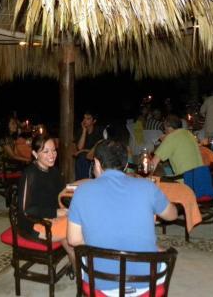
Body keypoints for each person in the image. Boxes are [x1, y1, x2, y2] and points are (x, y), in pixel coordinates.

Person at [67, 140, 177, 296]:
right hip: (146, 285)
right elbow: (172, 215)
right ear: (126, 165)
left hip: (99, 284)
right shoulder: (147, 187)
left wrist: (101, 239)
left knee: (85, 257)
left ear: (97, 163)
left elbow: (73, 240)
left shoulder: (82, 191)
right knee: (162, 253)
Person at [17, 135, 75, 266]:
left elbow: (60, 195)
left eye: (54, 150)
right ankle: (84, 281)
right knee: (75, 236)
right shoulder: (29, 174)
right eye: (46, 151)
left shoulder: (53, 171)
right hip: (32, 224)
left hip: (50, 218)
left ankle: (81, 277)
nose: (52, 155)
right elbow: (25, 210)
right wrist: (54, 213)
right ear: (35, 154)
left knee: (76, 236)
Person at [150, 115, 213, 199]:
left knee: (157, 179)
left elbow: (153, 164)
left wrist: (144, 180)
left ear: (167, 127)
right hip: (201, 179)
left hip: (186, 182)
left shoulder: (170, 138)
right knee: (166, 169)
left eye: (164, 129)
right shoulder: (189, 133)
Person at [74, 111, 103, 180]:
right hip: (83, 158)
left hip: (95, 157)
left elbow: (97, 149)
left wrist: (83, 150)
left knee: (82, 157)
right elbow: (79, 148)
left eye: (88, 118)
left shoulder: (98, 132)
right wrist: (84, 130)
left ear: (94, 121)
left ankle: (85, 182)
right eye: (84, 118)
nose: (84, 121)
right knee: (82, 158)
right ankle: (82, 182)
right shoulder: (80, 131)